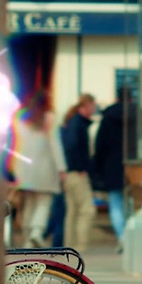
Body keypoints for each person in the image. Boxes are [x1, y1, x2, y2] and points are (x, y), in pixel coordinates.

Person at [11, 90, 67, 248]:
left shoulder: (21, 118)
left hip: (24, 168)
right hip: (45, 167)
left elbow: (15, 144)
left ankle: (27, 238)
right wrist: (62, 168)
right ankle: (36, 232)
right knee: (43, 202)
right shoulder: (49, 118)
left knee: (28, 203)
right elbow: (55, 144)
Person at [93, 87, 137, 253]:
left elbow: (100, 145)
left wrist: (98, 168)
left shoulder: (108, 117)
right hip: (135, 165)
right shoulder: (137, 115)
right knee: (132, 202)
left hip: (112, 166)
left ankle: (122, 237)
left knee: (116, 203)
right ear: (131, 98)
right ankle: (133, 235)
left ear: (117, 98)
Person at [60, 94, 97, 252]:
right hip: (76, 173)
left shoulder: (71, 121)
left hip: (69, 173)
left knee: (72, 211)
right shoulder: (78, 123)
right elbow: (72, 146)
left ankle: (70, 245)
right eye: (93, 106)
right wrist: (81, 167)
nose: (94, 109)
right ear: (86, 106)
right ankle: (80, 246)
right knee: (86, 209)